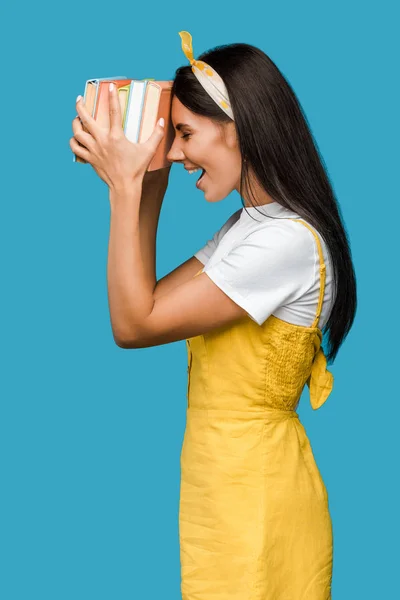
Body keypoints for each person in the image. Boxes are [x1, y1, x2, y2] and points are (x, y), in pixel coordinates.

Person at [160, 31, 357, 600]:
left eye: (185, 134)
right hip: (219, 489)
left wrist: (127, 188)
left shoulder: (285, 243)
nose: (174, 154)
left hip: (257, 498)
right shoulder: (249, 228)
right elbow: (142, 302)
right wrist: (142, 179)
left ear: (237, 126)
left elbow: (134, 324)